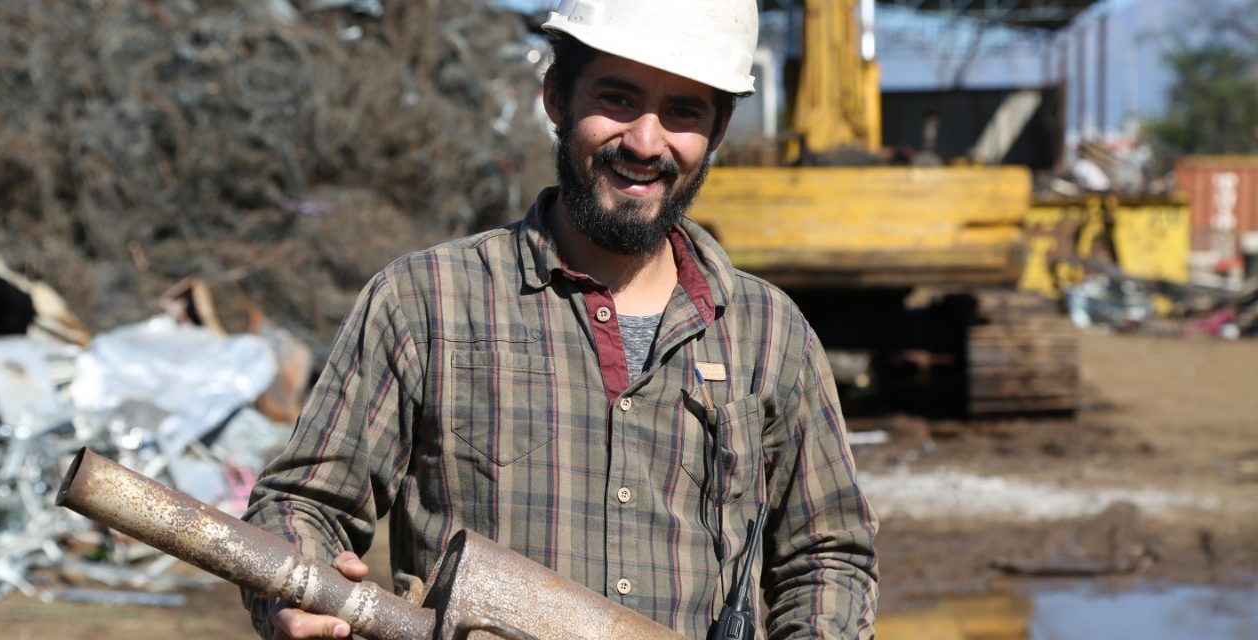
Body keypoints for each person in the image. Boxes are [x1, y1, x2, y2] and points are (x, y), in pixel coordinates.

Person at [243, 1, 879, 638]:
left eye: (683, 111)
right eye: (619, 99)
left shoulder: (770, 335)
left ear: (716, 130)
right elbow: (303, 502)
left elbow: (828, 556)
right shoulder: (426, 301)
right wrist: (296, 589)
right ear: (557, 97)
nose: (646, 142)